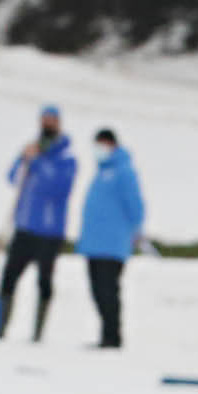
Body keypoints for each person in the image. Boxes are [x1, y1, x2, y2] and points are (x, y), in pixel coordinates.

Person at [2, 106, 76, 344]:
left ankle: (38, 332)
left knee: (44, 280)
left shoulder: (66, 158)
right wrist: (23, 160)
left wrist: (38, 164)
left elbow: (57, 187)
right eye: (44, 120)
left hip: (49, 231)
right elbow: (13, 178)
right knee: (9, 276)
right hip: (24, 226)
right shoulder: (31, 150)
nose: (47, 125)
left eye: (51, 120)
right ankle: (0, 325)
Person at [76, 127, 145, 350]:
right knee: (97, 291)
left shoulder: (124, 171)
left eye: (102, 144)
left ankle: (112, 337)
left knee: (108, 291)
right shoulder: (101, 172)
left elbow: (136, 206)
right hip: (95, 244)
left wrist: (134, 231)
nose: (98, 149)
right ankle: (105, 334)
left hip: (113, 244)